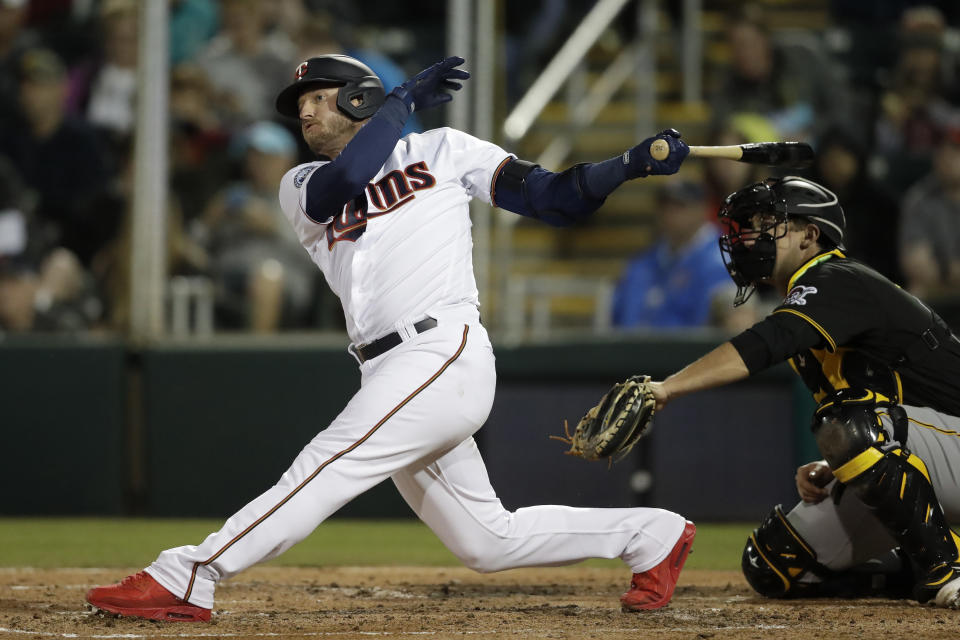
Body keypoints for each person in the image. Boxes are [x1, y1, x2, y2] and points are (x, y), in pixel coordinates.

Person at [84, 54, 697, 621]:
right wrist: (400, 101)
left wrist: (630, 164)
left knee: (329, 462)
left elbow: (556, 199)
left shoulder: (444, 149)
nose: (303, 111)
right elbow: (344, 181)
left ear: (358, 100)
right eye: (300, 103)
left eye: (319, 97)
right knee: (486, 540)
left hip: (440, 351)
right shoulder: (300, 183)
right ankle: (652, 535)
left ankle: (192, 573)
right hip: (386, 367)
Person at [599, 174, 960, 608]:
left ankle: (946, 574)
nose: (752, 237)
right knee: (774, 564)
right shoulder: (812, 294)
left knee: (846, 423)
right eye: (750, 225)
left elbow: (763, 344)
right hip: (935, 450)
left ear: (810, 235)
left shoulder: (838, 278)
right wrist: (841, 459)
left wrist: (666, 389)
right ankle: (924, 563)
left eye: (769, 223)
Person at [611, 180, 753, 332]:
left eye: (680, 206)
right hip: (633, 350)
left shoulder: (722, 260)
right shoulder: (643, 262)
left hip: (692, 352)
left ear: (702, 209)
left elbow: (732, 316)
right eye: (665, 207)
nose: (670, 214)